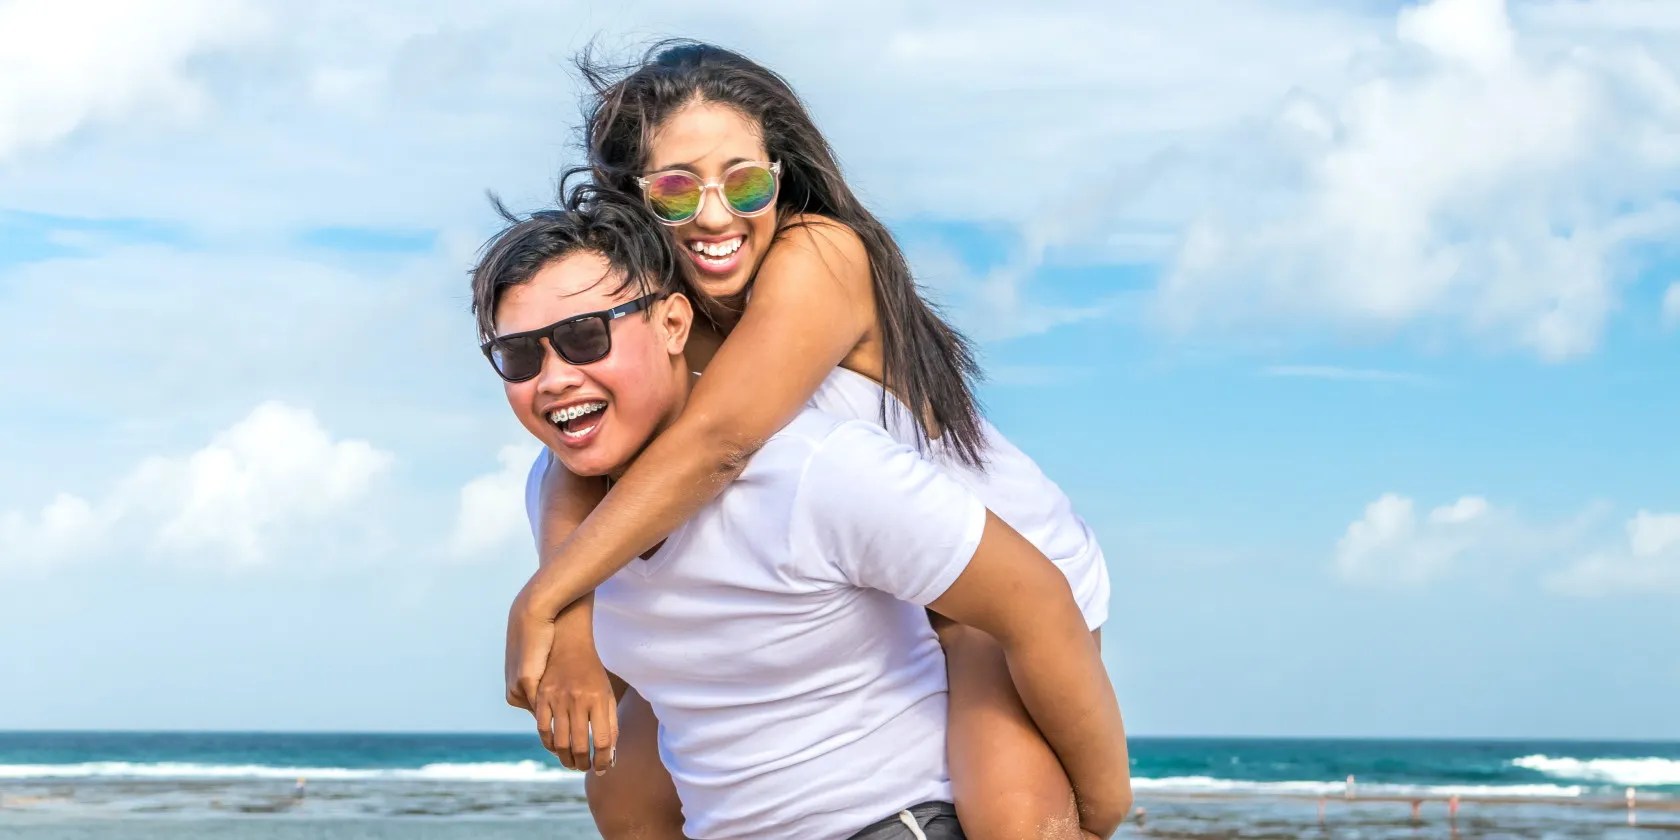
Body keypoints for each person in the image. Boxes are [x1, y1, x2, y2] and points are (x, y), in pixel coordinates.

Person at [504, 42, 1117, 839]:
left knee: (1013, 817)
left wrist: (546, 599)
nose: (716, 216)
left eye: (744, 181)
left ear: (781, 175)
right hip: (871, 599)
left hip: (995, 589)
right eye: (677, 191)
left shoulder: (820, 256)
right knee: (624, 791)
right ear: (637, 200)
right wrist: (576, 621)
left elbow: (721, 441)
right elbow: (576, 458)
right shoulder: (662, 305)